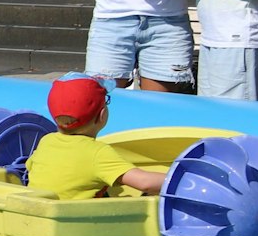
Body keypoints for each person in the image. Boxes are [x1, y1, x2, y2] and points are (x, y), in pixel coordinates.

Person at [25, 75, 165, 199]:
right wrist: (182, 179)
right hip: (75, 224)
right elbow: (145, 183)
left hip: (39, 217)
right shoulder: (98, 153)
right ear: (102, 114)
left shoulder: (46, 141)